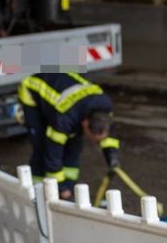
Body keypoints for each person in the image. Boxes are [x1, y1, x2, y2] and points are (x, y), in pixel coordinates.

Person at [18, 71, 121, 200]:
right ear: (85, 123)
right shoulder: (65, 120)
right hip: (31, 92)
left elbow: (109, 136)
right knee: (42, 146)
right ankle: (37, 190)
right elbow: (53, 153)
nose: (96, 144)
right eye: (94, 140)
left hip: (66, 96)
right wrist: (61, 188)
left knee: (74, 146)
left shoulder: (105, 109)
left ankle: (68, 188)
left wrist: (112, 156)